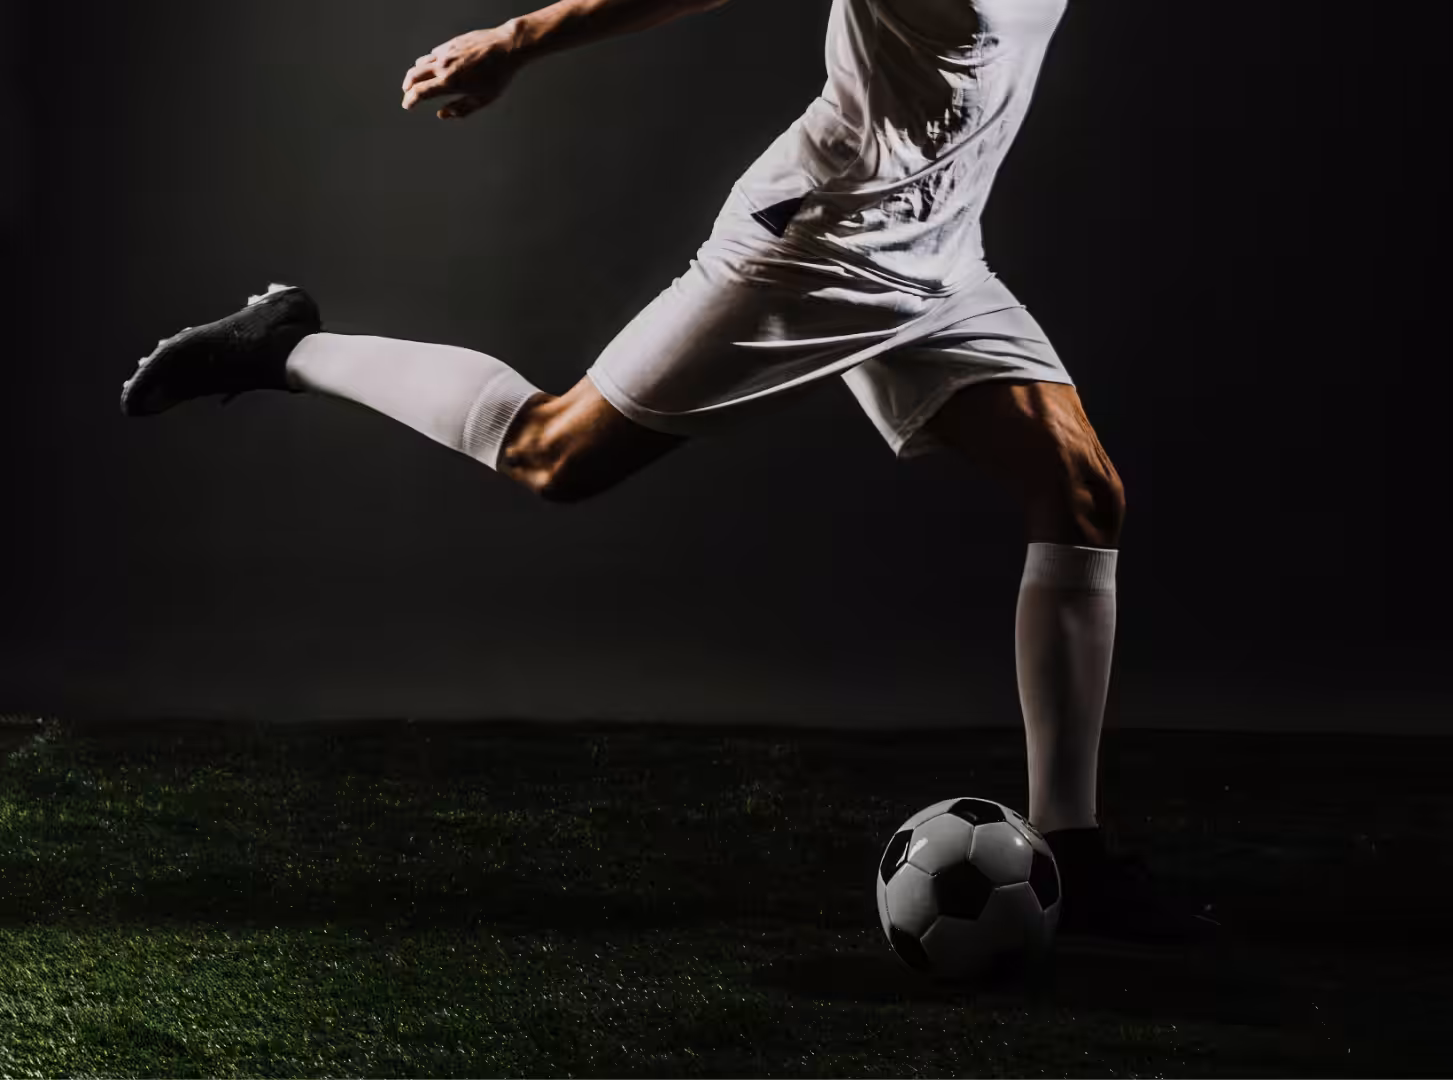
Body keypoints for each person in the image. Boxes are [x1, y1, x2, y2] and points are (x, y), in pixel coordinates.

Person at [120, 0, 1216, 943]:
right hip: (818, 241)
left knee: (1081, 496)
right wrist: (518, 37)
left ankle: (1074, 853)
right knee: (557, 454)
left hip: (937, 254)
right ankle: (284, 346)